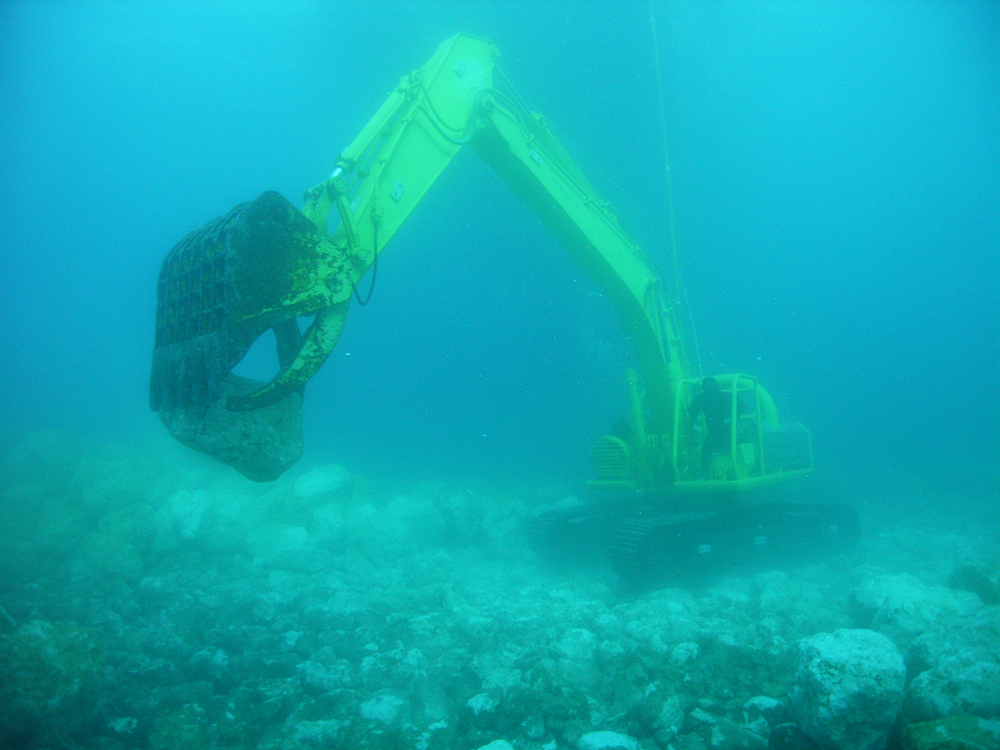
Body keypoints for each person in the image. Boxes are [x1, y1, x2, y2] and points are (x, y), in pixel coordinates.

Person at [688, 376, 732, 479]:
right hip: (718, 432)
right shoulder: (724, 396)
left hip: (724, 431)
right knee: (708, 451)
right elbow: (692, 410)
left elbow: (692, 410)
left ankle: (706, 474)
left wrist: (694, 422)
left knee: (708, 451)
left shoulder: (705, 398)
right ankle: (707, 474)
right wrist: (694, 422)